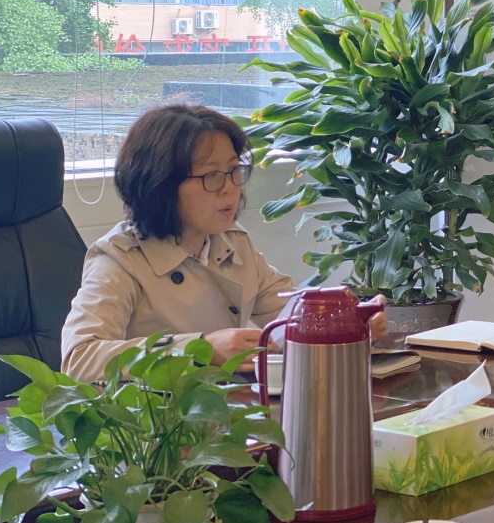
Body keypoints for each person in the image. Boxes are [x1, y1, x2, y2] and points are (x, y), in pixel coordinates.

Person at [61, 104, 387, 383]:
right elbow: (80, 358)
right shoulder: (119, 259)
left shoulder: (231, 242)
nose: (229, 188)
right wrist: (199, 350)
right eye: (211, 176)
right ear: (161, 184)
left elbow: (287, 318)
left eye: (233, 171)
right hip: (155, 426)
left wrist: (348, 323)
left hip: (228, 412)